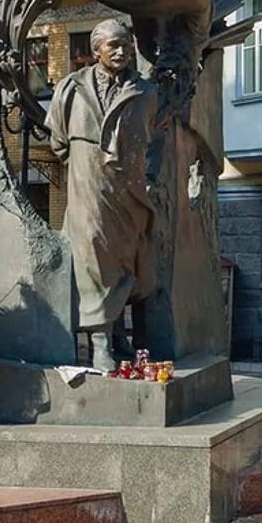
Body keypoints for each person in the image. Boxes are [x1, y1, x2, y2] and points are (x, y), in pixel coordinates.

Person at [45, 19, 159, 372]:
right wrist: (86, 163)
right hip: (88, 181)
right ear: (96, 51)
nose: (122, 51)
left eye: (126, 44)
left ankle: (118, 335)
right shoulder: (71, 88)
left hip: (128, 187)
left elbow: (152, 138)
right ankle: (98, 342)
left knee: (127, 258)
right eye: (114, 45)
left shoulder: (145, 91)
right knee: (92, 252)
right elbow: (58, 142)